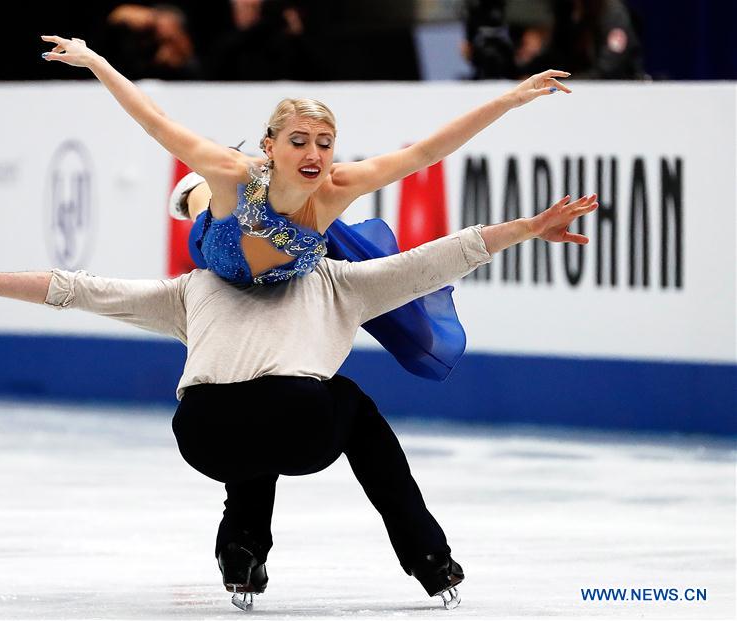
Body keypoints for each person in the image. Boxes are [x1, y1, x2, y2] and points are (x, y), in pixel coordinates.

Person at [0, 193, 598, 610]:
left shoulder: (189, 289)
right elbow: (443, 257)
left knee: (250, 409)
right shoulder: (343, 280)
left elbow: (75, 288)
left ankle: (241, 550)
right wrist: (528, 228)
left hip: (201, 431)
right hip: (297, 423)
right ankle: (430, 558)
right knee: (344, 402)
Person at [39, 34, 573, 381]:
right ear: (270, 145)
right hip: (215, 247)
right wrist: (95, 61)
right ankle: (192, 192)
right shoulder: (235, 171)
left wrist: (511, 98)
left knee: (319, 235)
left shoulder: (338, 185)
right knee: (216, 187)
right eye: (298, 141)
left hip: (286, 254)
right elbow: (155, 120)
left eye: (324, 141)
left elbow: (426, 151)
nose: (315, 153)